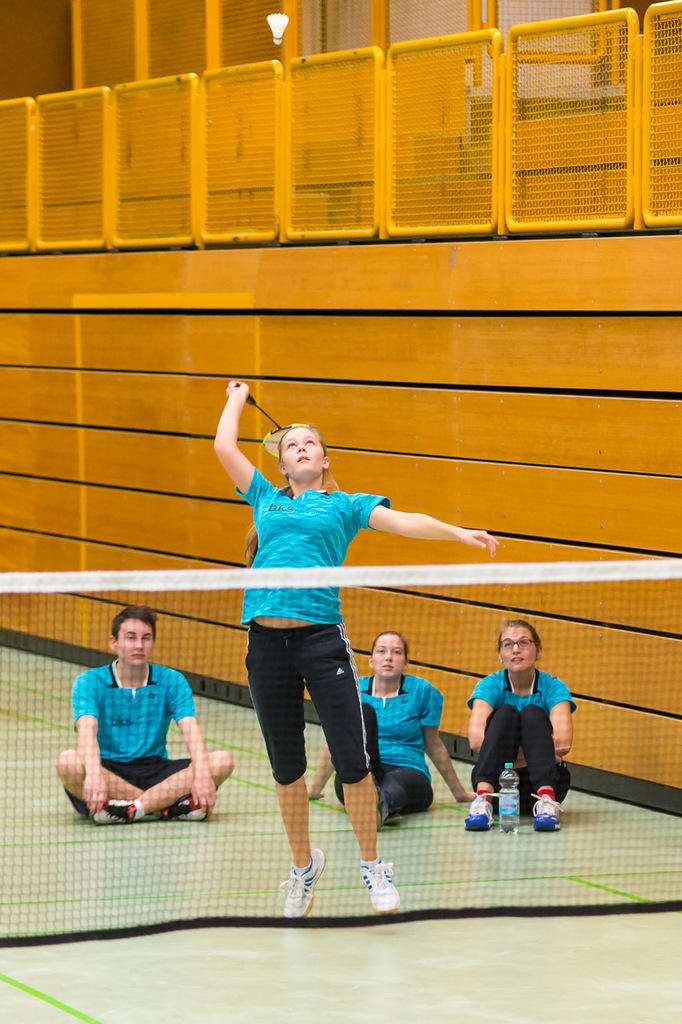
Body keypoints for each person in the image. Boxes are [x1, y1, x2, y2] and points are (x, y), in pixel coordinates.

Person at [214, 380, 498, 918]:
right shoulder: (264, 497)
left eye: (310, 443)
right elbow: (224, 447)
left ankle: (372, 864)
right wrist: (237, 396)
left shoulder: (345, 506)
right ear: (281, 465)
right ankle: (303, 868)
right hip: (265, 645)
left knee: (353, 761)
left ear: (324, 461)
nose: (300, 448)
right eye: (291, 444)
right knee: (286, 768)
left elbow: (405, 521)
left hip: (321, 641)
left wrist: (457, 532)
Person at [56, 605, 234, 824]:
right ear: (114, 642)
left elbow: (191, 730)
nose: (139, 645)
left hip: (156, 770)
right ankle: (164, 807)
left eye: (146, 638)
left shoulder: (171, 680)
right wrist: (94, 774)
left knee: (221, 761)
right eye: (130, 637)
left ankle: (130, 809)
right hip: (108, 771)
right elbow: (86, 733)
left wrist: (203, 775)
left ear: (153, 643)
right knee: (68, 762)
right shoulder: (89, 682)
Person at [307, 630, 475, 822]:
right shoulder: (353, 690)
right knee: (364, 712)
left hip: (408, 771)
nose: (388, 657)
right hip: (362, 769)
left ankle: (381, 804)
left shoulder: (422, 691)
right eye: (381, 651)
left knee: (395, 782)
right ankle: (378, 805)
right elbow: (337, 744)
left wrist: (459, 793)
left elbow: (434, 744)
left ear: (405, 663)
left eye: (396, 652)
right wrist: (313, 790)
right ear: (371, 661)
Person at [464, 618, 575, 832]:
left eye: (523, 642)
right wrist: (539, 750)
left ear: (538, 651)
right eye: (508, 644)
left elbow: (562, 744)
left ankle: (547, 805)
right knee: (506, 714)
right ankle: (482, 803)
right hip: (499, 786)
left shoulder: (554, 687)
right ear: (500, 654)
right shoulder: (489, 685)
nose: (516, 649)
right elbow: (476, 741)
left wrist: (501, 750)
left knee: (532, 714)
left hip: (545, 785)